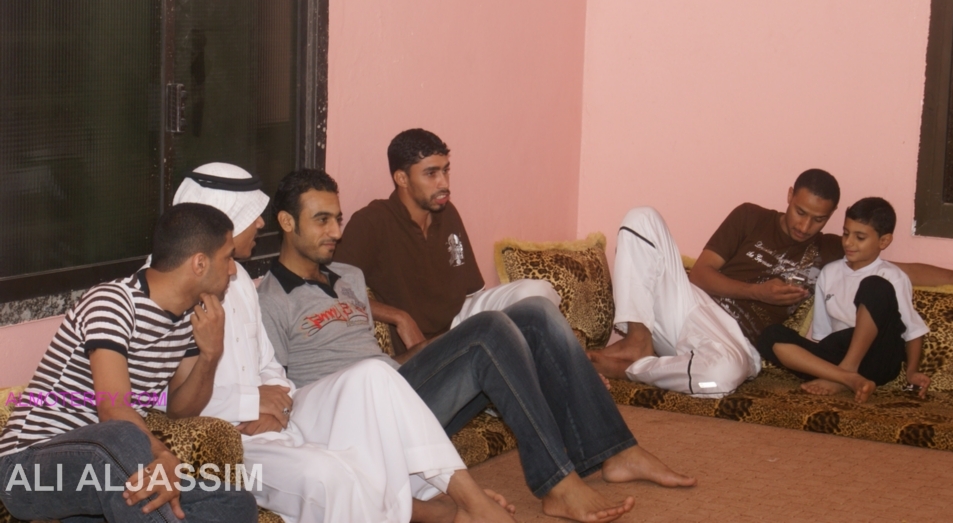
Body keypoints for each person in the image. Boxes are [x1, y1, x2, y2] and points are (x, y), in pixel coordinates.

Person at [258, 169, 697, 523]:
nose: (336, 230)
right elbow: (280, 393)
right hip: (354, 422)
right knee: (488, 330)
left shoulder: (348, 277)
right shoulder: (270, 301)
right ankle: (556, 482)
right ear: (287, 222)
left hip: (399, 392)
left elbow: (382, 365)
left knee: (534, 313)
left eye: (337, 218)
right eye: (322, 220)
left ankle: (615, 450)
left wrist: (442, 344)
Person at [168, 162, 516, 523]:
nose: (259, 223)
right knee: (332, 474)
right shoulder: (174, 292)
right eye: (251, 214)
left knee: (374, 374)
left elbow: (269, 365)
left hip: (283, 415)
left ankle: (466, 500)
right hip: (233, 439)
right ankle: (445, 511)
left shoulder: (239, 278)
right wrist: (249, 403)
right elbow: (162, 401)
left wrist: (278, 405)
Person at [589, 169, 953, 397]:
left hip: (737, 343)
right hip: (692, 307)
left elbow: (899, 270)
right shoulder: (750, 216)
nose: (805, 226)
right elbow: (700, 274)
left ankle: (636, 369)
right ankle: (638, 339)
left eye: (818, 219)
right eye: (800, 212)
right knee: (642, 218)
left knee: (722, 378)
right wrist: (757, 292)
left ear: (831, 217)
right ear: (789, 195)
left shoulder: (831, 249)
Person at [0, 203, 258, 523]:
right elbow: (113, 408)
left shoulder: (190, 320)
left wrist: (210, 355)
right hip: (27, 468)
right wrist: (162, 455)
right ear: (200, 263)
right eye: (228, 257)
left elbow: (180, 410)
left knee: (236, 504)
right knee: (122, 438)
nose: (233, 269)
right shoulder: (113, 302)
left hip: (109, 476)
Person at [332, 128, 561, 354]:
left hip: (463, 321)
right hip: (432, 347)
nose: (443, 183)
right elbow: (332, 287)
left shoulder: (447, 212)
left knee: (537, 292)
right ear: (402, 178)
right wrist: (400, 317)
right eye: (431, 173)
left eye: (445, 170)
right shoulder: (373, 221)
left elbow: (473, 293)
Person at [757, 198, 931, 404]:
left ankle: (845, 372)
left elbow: (912, 331)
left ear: (883, 241)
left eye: (860, 237)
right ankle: (846, 378)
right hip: (838, 353)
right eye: (846, 233)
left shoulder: (891, 275)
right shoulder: (829, 272)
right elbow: (823, 335)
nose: (848, 243)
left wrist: (912, 372)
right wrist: (821, 360)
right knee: (769, 336)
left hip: (878, 357)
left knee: (874, 285)